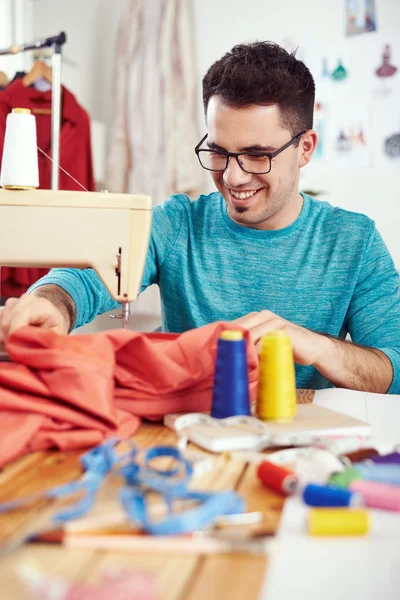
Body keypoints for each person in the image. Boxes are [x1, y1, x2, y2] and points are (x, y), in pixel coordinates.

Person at [1, 42, 399, 393]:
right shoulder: (178, 225)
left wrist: (318, 347)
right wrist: (53, 304)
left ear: (305, 148)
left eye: (258, 155)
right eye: (218, 151)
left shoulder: (354, 242)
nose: (232, 176)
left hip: (304, 447)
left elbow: (394, 369)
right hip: (187, 435)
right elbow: (84, 277)